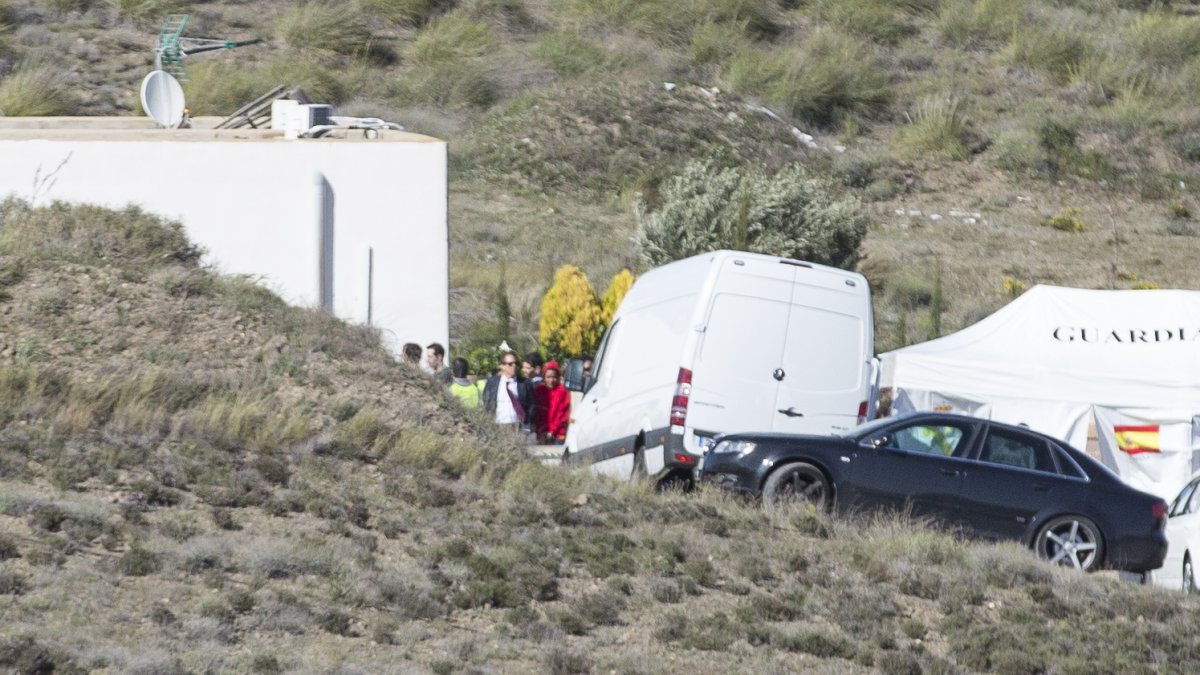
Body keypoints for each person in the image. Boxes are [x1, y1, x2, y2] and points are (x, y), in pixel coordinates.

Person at [481, 350, 533, 432]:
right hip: (498, 425)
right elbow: (486, 401)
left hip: (517, 425)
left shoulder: (524, 383)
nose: (514, 366)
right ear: (503, 366)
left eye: (515, 363)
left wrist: (527, 423)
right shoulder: (492, 383)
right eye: (510, 364)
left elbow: (531, 405)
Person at [533, 360, 570, 444]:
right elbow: (537, 412)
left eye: (554, 377)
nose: (551, 380)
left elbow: (562, 414)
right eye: (548, 377)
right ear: (544, 377)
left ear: (558, 377)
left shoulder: (563, 391)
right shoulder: (539, 390)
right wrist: (541, 429)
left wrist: (552, 431)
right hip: (542, 432)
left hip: (558, 433)